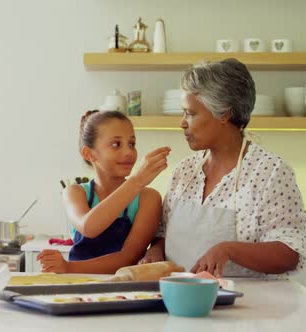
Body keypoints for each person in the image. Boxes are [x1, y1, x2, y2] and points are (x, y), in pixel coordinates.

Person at [139, 58, 306, 278]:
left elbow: (290, 253)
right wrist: (157, 250)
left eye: (190, 113)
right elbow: (164, 231)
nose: (182, 122)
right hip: (180, 301)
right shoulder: (184, 171)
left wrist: (229, 249)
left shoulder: (270, 172)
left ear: (224, 114)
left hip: (250, 307)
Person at [37, 110, 170, 274]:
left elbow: (129, 257)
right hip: (77, 285)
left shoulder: (148, 197)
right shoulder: (75, 192)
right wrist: (137, 180)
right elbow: (89, 227)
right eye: (116, 144)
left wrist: (69, 267)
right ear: (89, 154)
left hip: (124, 290)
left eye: (132, 144)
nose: (129, 152)